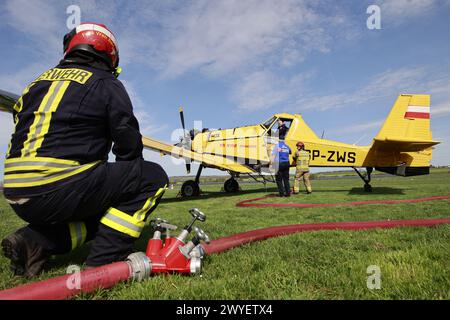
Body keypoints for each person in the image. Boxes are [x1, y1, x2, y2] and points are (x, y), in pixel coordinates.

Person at [1, 23, 169, 277]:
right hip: (56, 184)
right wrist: (127, 178)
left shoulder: (35, 84)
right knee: (152, 178)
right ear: (109, 55)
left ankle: (33, 242)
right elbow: (127, 141)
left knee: (102, 213)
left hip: (16, 191)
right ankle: (104, 262)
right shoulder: (105, 81)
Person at [270, 128, 291, 197]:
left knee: (279, 180)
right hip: (287, 164)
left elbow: (273, 156)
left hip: (279, 164)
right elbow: (290, 152)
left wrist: (271, 164)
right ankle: (288, 193)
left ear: (278, 140)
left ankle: (281, 194)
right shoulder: (287, 146)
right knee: (286, 179)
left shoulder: (276, 146)